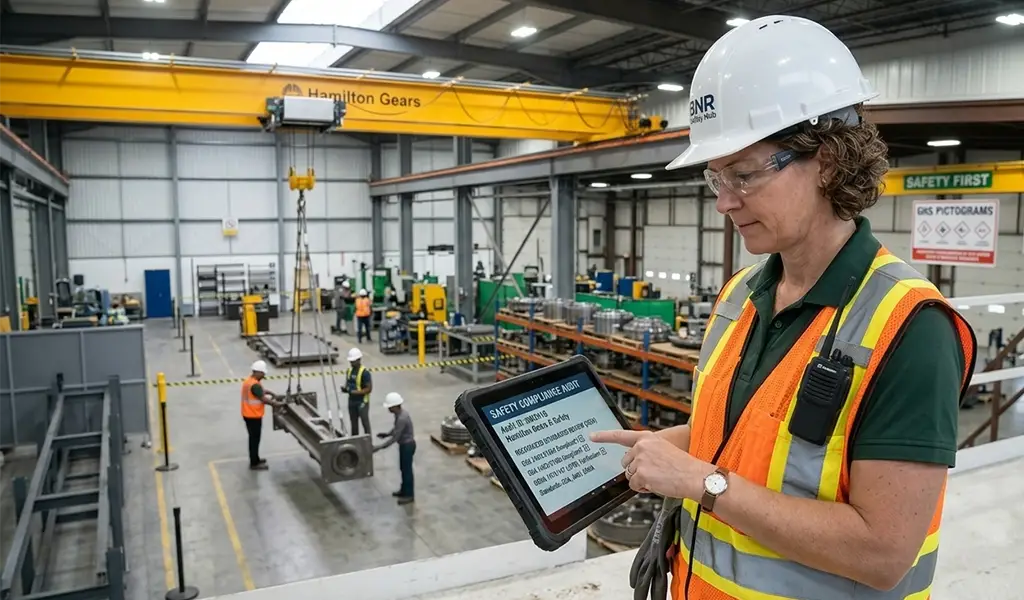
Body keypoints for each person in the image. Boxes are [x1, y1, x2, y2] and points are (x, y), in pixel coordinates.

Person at [590, 15, 977, 600]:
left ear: (826, 159)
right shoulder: (740, 297)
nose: (723, 202)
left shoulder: (911, 330)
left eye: (743, 175)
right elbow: (749, 439)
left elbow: (883, 552)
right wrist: (663, 447)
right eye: (715, 178)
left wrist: (702, 483)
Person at [374, 392, 416, 505]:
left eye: (389, 407)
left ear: (394, 406)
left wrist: (379, 447)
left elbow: (395, 437)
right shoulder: (399, 414)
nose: (388, 409)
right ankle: (404, 490)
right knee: (403, 469)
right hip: (404, 444)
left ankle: (409, 495)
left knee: (407, 471)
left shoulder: (402, 417)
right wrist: (387, 434)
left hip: (407, 446)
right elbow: (396, 429)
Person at [241, 360, 283, 471]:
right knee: (254, 439)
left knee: (254, 438)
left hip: (248, 414)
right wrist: (276, 404)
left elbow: (261, 391)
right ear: (258, 372)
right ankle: (254, 463)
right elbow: (263, 399)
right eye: (263, 373)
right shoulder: (254, 385)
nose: (264, 376)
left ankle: (256, 459)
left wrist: (272, 393)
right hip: (253, 416)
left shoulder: (250, 381)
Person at [343, 347, 372, 436]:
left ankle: (368, 441)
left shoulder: (365, 373)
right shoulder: (349, 371)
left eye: (353, 361)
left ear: (359, 360)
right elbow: (347, 384)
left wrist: (353, 392)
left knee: (365, 422)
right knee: (353, 423)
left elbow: (369, 389)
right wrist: (345, 389)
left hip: (362, 402)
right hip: (352, 401)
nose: (351, 363)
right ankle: (355, 441)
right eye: (350, 361)